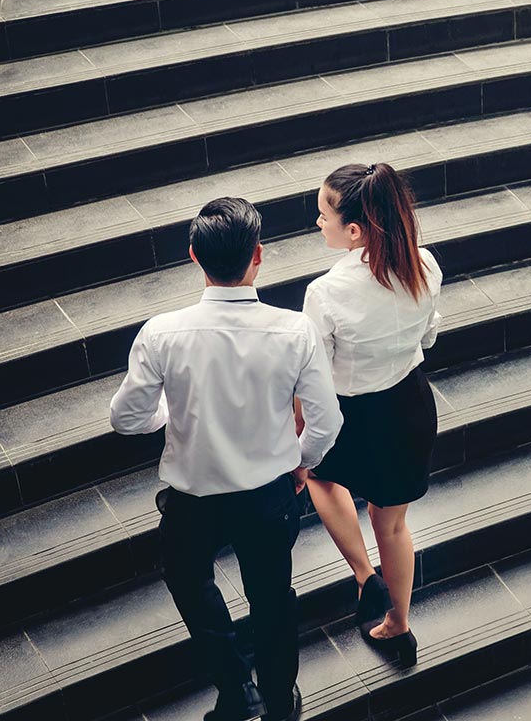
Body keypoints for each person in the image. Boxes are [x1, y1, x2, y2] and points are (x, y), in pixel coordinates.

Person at [110, 198, 343, 721]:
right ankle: (281, 700)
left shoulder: (162, 333)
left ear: (194, 256)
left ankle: (237, 690)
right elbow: (327, 422)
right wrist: (300, 463)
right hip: (267, 494)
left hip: (192, 499)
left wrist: (169, 411)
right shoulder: (293, 331)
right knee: (273, 599)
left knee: (191, 587)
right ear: (258, 255)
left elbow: (126, 418)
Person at [295, 162, 442, 669]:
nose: (318, 223)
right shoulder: (425, 265)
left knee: (318, 477)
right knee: (394, 523)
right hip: (408, 405)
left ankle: (363, 577)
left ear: (354, 229)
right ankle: (397, 623)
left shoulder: (326, 293)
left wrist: (299, 431)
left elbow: (314, 372)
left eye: (323, 215)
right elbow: (427, 339)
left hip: (351, 413)